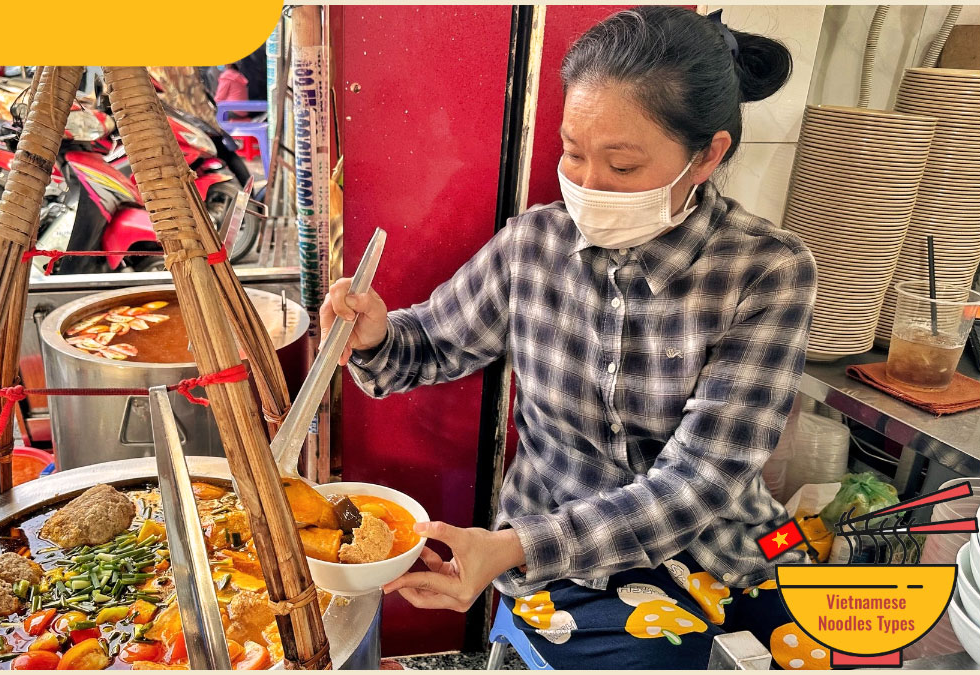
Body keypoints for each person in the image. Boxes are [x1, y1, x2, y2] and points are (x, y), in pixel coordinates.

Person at [320, 6, 823, 670]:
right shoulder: (536, 244)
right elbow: (431, 345)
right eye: (573, 151)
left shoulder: (767, 272)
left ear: (708, 155)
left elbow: (698, 483)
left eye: (621, 164)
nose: (586, 185)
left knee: (832, 645)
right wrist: (377, 334)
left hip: (707, 546)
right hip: (555, 556)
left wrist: (518, 544)